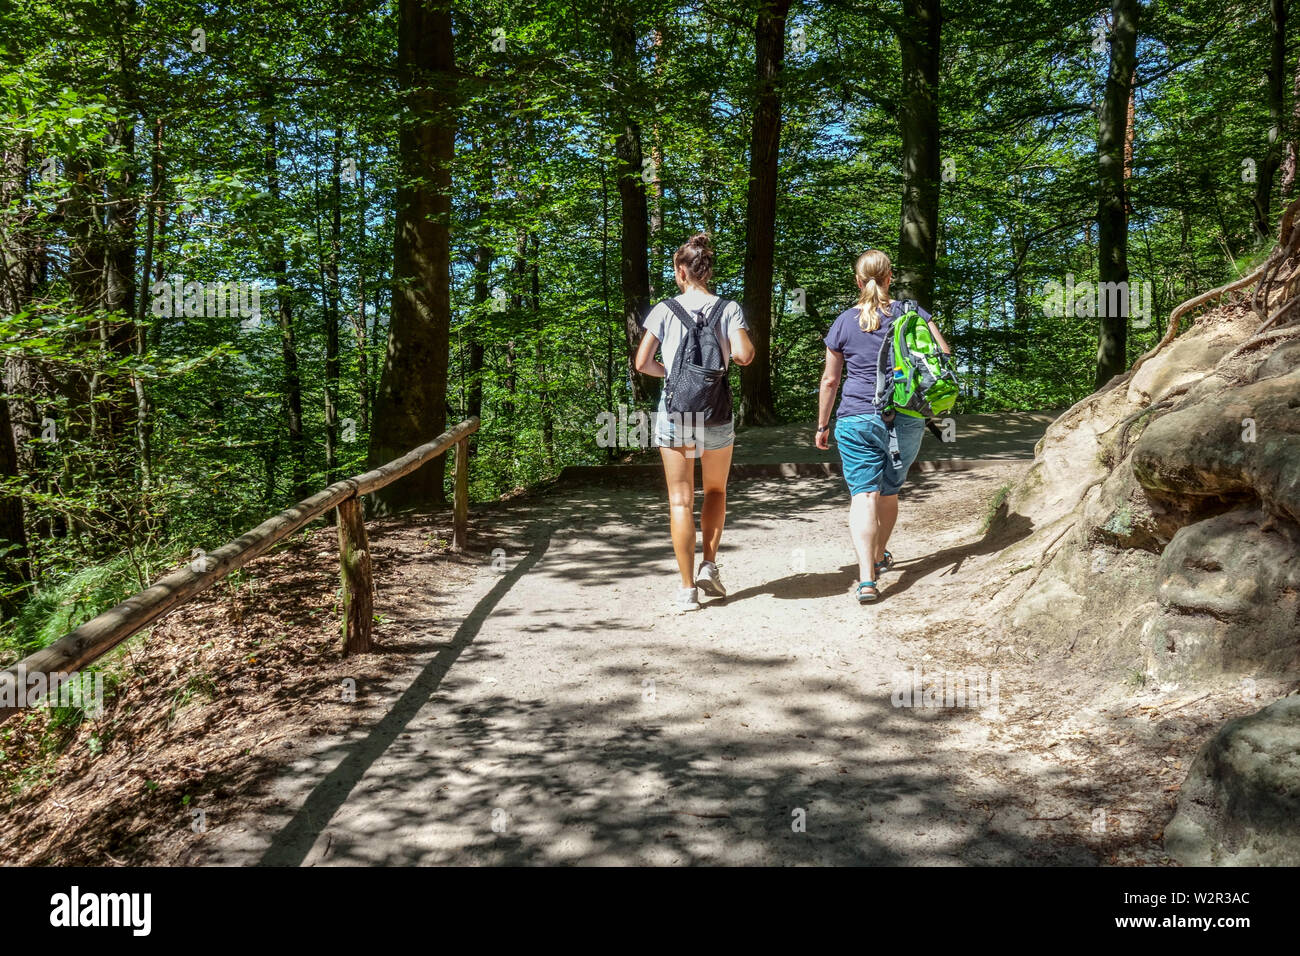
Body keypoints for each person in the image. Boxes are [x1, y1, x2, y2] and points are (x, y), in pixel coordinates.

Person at [815, 249, 952, 604]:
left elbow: (830, 381)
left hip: (855, 416)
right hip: (906, 415)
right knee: (889, 492)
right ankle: (879, 555)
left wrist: (821, 424)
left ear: (857, 281)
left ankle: (866, 579)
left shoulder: (844, 322)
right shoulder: (912, 313)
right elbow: (943, 355)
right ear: (890, 277)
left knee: (864, 495)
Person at [635, 233, 755, 612]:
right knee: (716, 492)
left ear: (680, 270)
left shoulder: (663, 309)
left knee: (680, 501)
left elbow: (642, 363)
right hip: (716, 413)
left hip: (677, 415)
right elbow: (744, 356)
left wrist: (672, 374)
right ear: (707, 270)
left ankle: (687, 590)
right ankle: (709, 565)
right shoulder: (729, 308)